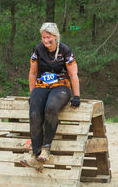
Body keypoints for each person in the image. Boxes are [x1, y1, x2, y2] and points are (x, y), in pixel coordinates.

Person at [20, 22, 81, 170]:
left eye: (48, 37)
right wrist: (32, 93)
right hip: (42, 85)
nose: (45, 41)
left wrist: (77, 95)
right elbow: (33, 72)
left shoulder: (65, 50)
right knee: (34, 113)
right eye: (43, 37)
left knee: (51, 108)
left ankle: (46, 148)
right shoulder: (38, 49)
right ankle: (35, 153)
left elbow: (73, 74)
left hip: (61, 86)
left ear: (55, 37)